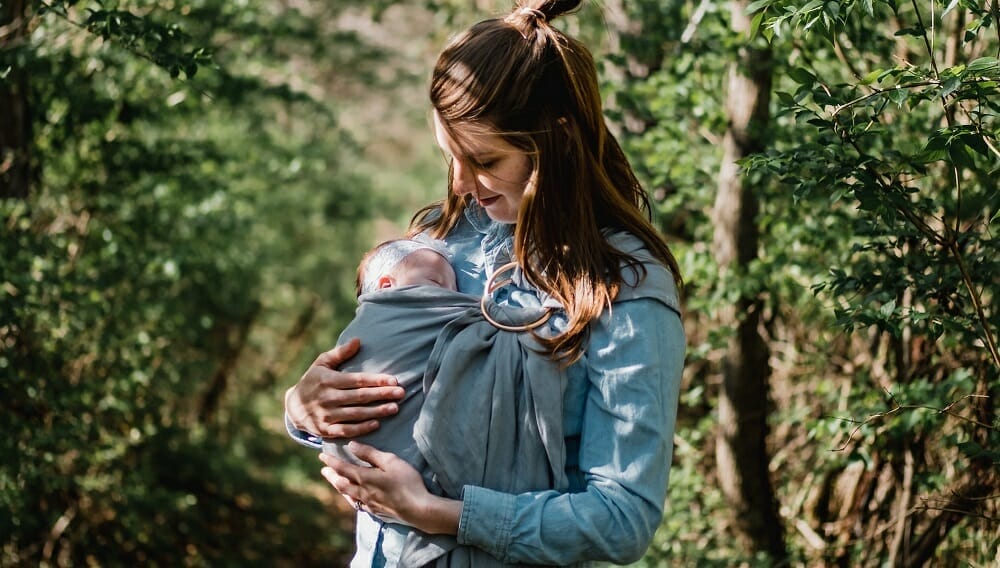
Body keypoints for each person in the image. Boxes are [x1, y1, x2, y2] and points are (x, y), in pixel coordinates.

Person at [284, 0, 686, 565]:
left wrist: (439, 514)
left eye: (484, 159)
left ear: (557, 142)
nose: (462, 182)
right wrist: (303, 410)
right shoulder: (441, 239)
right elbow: (373, 389)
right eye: (449, 155)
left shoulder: (623, 286)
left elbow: (622, 517)